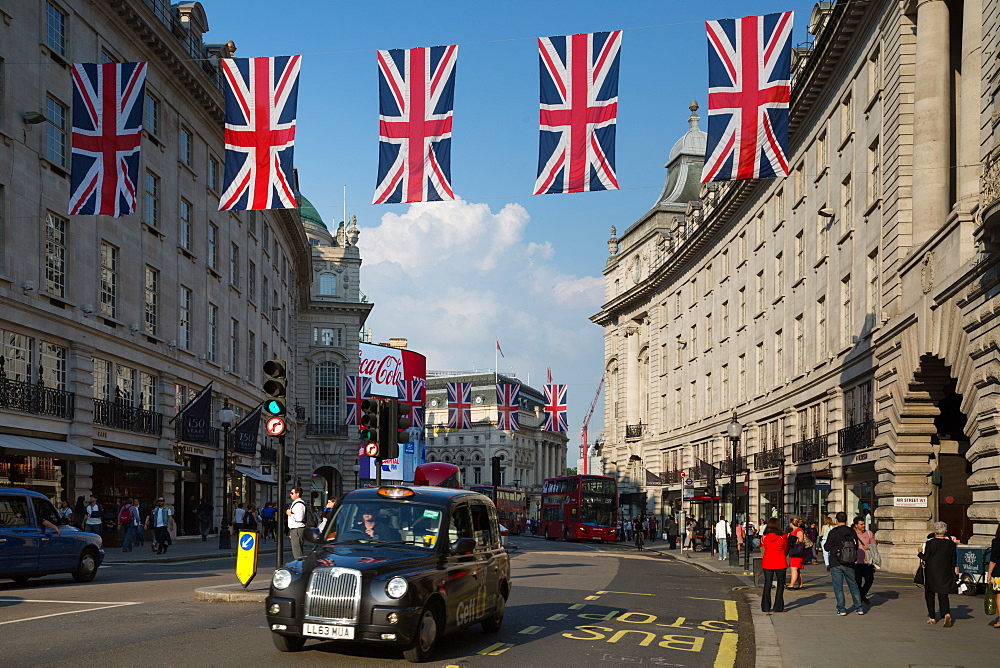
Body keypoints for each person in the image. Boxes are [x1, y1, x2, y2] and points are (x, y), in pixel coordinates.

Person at [824, 511, 865, 615]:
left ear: (836, 520)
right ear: (846, 520)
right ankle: (859, 607)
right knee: (853, 584)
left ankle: (841, 609)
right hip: (849, 562)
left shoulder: (834, 532)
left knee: (838, 586)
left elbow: (827, 547)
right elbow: (856, 547)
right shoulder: (852, 531)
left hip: (835, 561)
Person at [919, 521, 959, 626]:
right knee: (943, 593)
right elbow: (953, 559)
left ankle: (932, 618)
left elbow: (926, 557)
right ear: (946, 531)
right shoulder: (951, 544)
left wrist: (919, 553)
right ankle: (946, 613)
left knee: (930, 594)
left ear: (934, 531)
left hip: (932, 571)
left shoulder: (931, 543)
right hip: (945, 570)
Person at [760, 518, 789, 614]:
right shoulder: (783, 537)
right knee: (781, 585)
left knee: (767, 584)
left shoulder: (764, 537)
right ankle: (778, 607)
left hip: (767, 561)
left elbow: (762, 548)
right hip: (780, 561)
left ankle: (765, 607)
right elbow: (785, 549)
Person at [852, 516, 877, 605]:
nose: (863, 526)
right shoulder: (852, 534)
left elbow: (874, 546)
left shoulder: (869, 533)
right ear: (856, 525)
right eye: (861, 524)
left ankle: (862, 595)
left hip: (867, 562)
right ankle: (859, 599)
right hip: (856, 563)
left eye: (864, 524)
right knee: (857, 583)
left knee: (869, 580)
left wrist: (869, 547)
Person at [286, 487, 308, 559]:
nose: (290, 495)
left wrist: (290, 514)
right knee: (297, 551)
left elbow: (300, 518)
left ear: (297, 494)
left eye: (292, 493)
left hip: (297, 529)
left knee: (297, 553)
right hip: (295, 529)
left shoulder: (299, 504)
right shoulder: (296, 503)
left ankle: (300, 567)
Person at [986, 525, 1000, 628]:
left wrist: (989, 574)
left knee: (998, 596)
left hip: (998, 573)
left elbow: (993, 560)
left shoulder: (996, 542)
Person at [787, 517, 807, 589]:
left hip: (797, 551)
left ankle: (792, 584)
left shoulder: (798, 531)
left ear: (791, 523)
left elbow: (800, 540)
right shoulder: (794, 530)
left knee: (794, 568)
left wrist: (792, 540)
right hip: (794, 551)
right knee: (797, 569)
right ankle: (800, 584)